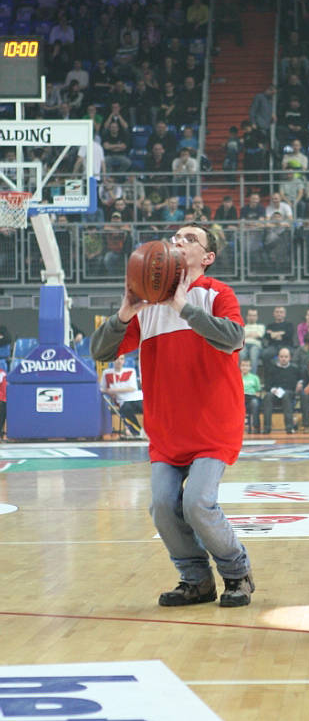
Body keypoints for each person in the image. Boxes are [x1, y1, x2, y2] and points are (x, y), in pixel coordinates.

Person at [90, 222, 254, 608]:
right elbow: (100, 351)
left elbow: (234, 338)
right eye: (176, 237)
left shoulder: (217, 294)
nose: (179, 241)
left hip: (213, 425)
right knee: (162, 507)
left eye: (190, 239)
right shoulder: (147, 308)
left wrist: (182, 307)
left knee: (197, 503)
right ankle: (196, 581)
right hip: (167, 430)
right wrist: (126, 311)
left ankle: (237, 572)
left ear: (207, 257)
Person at [99, 354, 145, 438]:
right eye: (117, 359)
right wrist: (109, 392)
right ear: (113, 361)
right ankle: (137, 432)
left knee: (149, 409)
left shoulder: (131, 371)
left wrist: (114, 390)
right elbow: (102, 389)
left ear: (124, 361)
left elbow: (132, 388)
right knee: (125, 410)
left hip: (138, 398)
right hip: (123, 401)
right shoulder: (107, 373)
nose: (119, 361)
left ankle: (153, 431)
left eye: (121, 359)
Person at [261, 347, 300, 434]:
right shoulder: (271, 369)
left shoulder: (294, 370)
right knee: (268, 396)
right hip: (275, 394)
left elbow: (301, 379)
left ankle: (289, 427)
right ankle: (267, 428)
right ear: (278, 357)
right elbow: (267, 385)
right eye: (281, 356)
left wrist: (300, 383)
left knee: (285, 395)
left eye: (285, 357)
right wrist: (273, 389)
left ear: (289, 358)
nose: (283, 359)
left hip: (289, 394)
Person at [240, 307, 265, 375]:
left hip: (255, 345)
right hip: (244, 345)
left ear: (257, 317)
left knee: (253, 356)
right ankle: (242, 376)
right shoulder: (242, 327)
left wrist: (246, 335)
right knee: (241, 355)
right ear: (247, 316)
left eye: (254, 315)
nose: (252, 317)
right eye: (250, 315)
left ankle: (252, 376)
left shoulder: (261, 326)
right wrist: (253, 334)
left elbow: (259, 335)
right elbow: (240, 337)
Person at [240, 357, 261, 434]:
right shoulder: (237, 376)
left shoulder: (255, 378)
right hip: (240, 397)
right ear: (240, 366)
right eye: (243, 365)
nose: (245, 367)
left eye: (247, 366)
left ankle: (256, 426)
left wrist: (257, 394)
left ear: (250, 367)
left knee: (254, 403)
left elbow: (258, 391)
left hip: (251, 397)